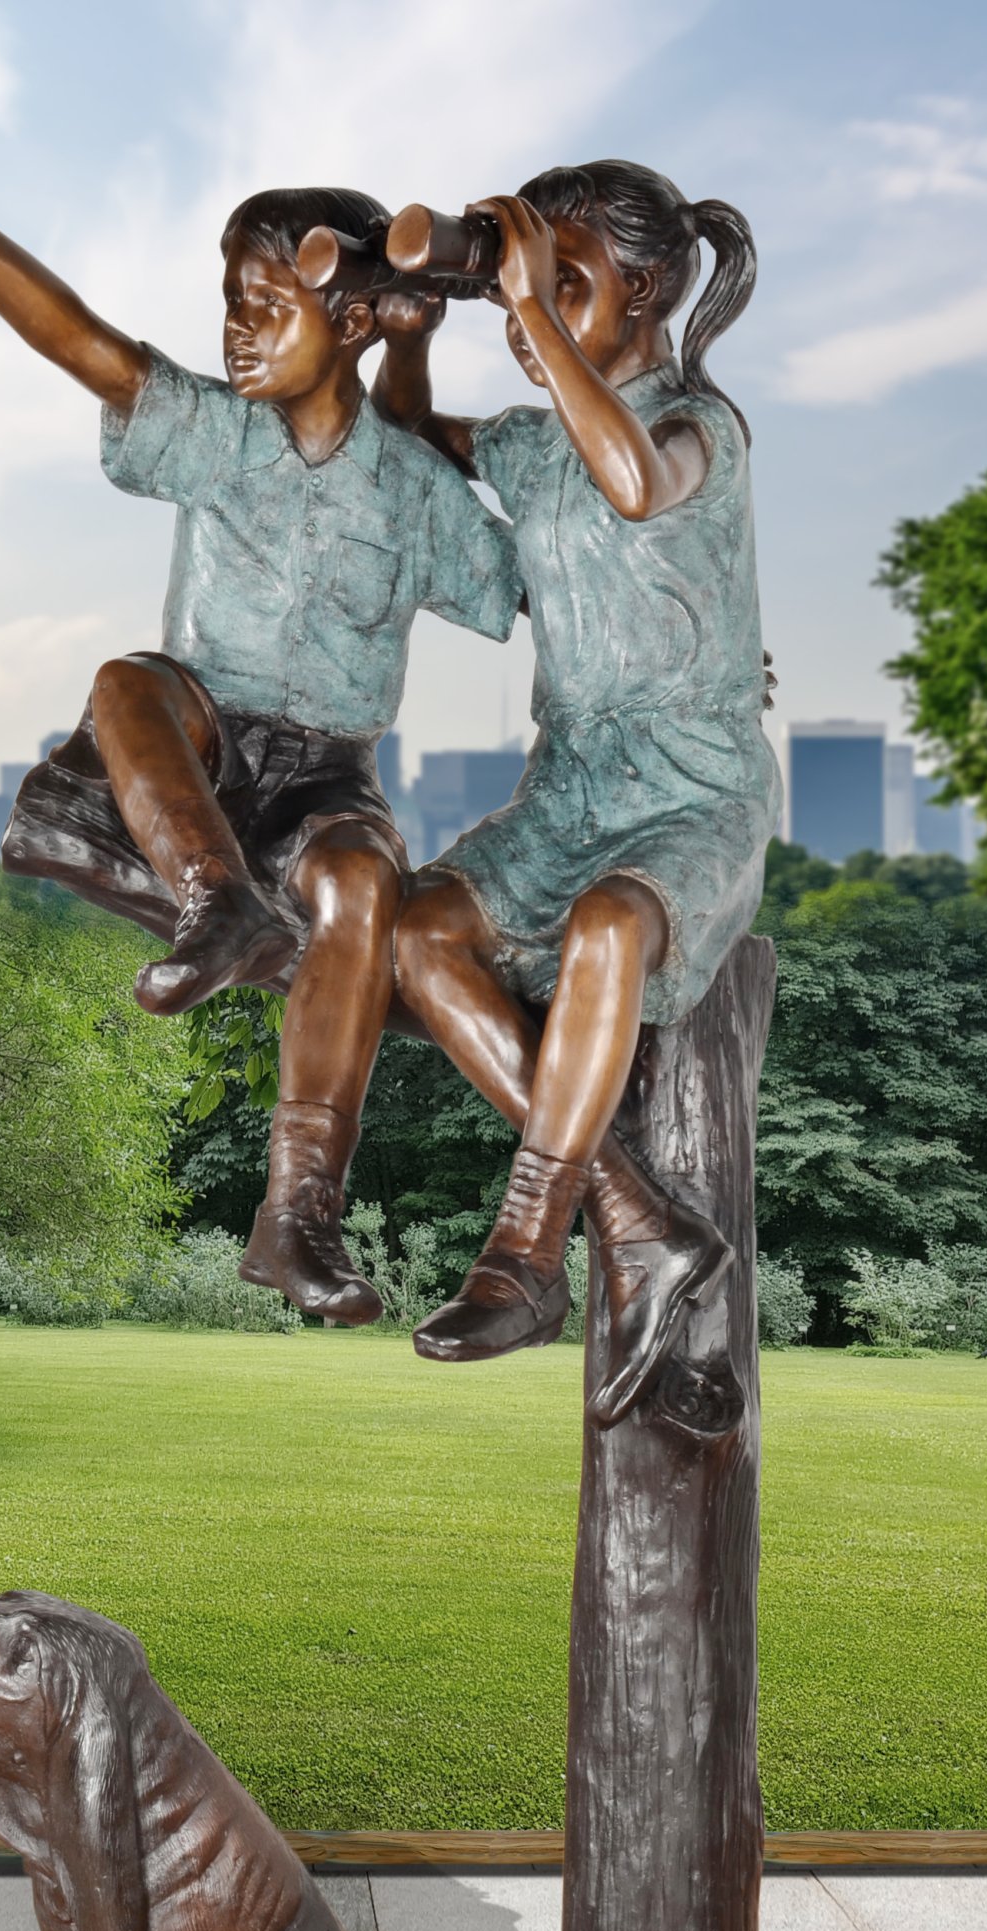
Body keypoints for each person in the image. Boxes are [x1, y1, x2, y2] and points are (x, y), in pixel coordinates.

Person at [0, 71, 522, 1325]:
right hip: (197, 746)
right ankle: (214, 897)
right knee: (130, 678)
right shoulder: (207, 431)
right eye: (228, 304)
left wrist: (705, 656)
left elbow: (542, 594)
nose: (237, 332)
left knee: (358, 886)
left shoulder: (417, 497)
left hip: (329, 775)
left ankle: (296, 1218)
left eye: (266, 306)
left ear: (347, 323)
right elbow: (69, 332)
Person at [375, 160, 782, 1423]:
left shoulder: (697, 427)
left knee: (613, 923)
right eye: (526, 286)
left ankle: (526, 1250)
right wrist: (416, 333)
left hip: (694, 784)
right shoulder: (533, 439)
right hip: (569, 786)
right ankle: (639, 1215)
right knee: (418, 933)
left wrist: (532, 318)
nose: (528, 307)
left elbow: (635, 482)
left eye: (568, 282)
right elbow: (405, 450)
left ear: (647, 289)